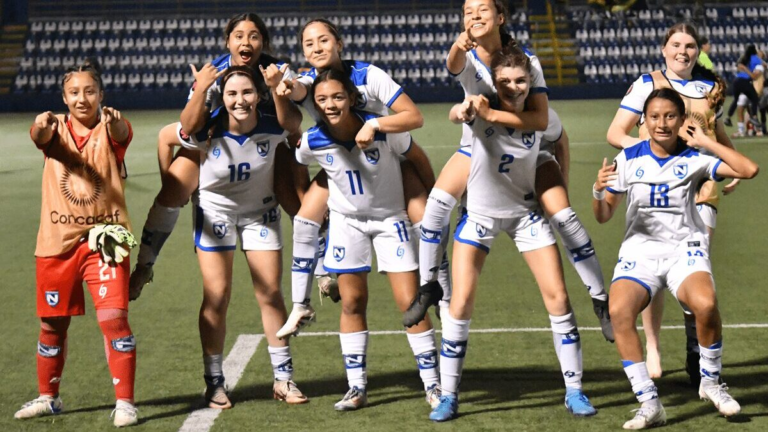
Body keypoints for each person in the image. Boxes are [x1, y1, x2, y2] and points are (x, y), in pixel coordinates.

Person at [408, 0, 612, 340]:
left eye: (482, 9)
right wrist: (458, 48)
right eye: (467, 10)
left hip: (529, 149)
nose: (473, 14)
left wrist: (560, 179)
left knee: (564, 218)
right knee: (437, 204)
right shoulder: (469, 56)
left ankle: (600, 299)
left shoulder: (526, 62)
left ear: (500, 18)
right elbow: (453, 63)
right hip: (481, 147)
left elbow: (545, 123)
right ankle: (429, 286)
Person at [430, 46, 597, 422]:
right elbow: (455, 113)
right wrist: (463, 110)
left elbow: (559, 140)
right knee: (461, 304)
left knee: (558, 298)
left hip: (525, 215)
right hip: (479, 218)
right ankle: (449, 395)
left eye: (520, 80)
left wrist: (561, 183)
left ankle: (574, 391)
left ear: (530, 82)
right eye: (504, 81)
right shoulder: (481, 106)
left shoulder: (542, 119)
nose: (513, 87)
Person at [594, 88, 758, 429]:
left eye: (670, 116)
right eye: (654, 116)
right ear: (644, 121)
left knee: (706, 305)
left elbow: (749, 169)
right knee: (619, 311)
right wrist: (598, 191)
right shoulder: (629, 158)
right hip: (640, 252)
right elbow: (603, 214)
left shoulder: (694, 157)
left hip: (684, 249)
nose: (662, 123)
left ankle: (711, 383)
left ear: (682, 120)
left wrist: (706, 142)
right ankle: (649, 402)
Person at [274, 18, 437, 338]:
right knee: (306, 218)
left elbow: (413, 116)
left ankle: (438, 287)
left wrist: (375, 125)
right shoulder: (309, 80)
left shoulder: (369, 75)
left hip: (389, 159)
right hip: (345, 166)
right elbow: (297, 89)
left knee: (425, 219)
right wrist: (281, 87)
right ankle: (301, 303)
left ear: (339, 43)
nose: (317, 48)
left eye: (324, 40)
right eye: (309, 44)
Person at [130, 13, 307, 300]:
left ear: (263, 42)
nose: (246, 42)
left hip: (267, 144)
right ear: (228, 42)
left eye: (253, 36)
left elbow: (294, 129)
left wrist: (281, 88)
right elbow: (175, 132)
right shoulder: (212, 75)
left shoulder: (275, 72)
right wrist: (171, 184)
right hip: (216, 148)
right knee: (173, 189)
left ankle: (321, 260)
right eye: (238, 36)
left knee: (294, 192)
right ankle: (144, 265)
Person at [295, 69, 441, 411]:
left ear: (351, 98)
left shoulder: (384, 129)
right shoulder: (312, 139)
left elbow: (417, 158)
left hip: (392, 221)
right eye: (321, 100)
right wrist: (315, 202)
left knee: (410, 303)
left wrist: (432, 197)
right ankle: (356, 387)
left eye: (337, 97)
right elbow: (298, 165)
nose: (330, 105)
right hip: (348, 225)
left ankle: (433, 385)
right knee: (351, 302)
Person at [606, 22, 736, 383]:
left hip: (702, 186)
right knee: (653, 273)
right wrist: (649, 154)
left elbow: (717, 133)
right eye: (676, 44)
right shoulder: (647, 84)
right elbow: (615, 132)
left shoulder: (709, 88)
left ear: (698, 51)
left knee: (693, 268)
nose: (683, 51)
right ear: (664, 49)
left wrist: (734, 168)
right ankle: (652, 345)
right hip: (655, 186)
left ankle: (696, 351)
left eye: (690, 45)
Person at [16, 61, 139, 427]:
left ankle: (126, 403)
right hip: (57, 244)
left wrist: (115, 121)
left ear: (101, 95)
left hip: (104, 240)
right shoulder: (54, 130)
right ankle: (48, 397)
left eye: (89, 91)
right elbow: (39, 138)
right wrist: (40, 127)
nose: (82, 98)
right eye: (74, 92)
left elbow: (122, 133)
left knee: (114, 319)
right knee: (53, 325)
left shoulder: (112, 127)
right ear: (64, 97)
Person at [177, 65, 308, 409]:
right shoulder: (207, 127)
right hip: (216, 213)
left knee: (270, 293)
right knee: (217, 295)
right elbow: (183, 129)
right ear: (222, 96)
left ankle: (283, 378)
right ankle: (214, 382)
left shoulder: (271, 125)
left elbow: (293, 124)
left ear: (258, 95)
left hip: (260, 213)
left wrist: (278, 88)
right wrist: (201, 87)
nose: (240, 100)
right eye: (232, 93)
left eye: (247, 92)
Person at [723, 45, 764, 136]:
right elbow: (758, 69)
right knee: (754, 99)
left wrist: (743, 68)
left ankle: (728, 117)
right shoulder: (756, 59)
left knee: (736, 100)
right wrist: (747, 70)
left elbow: (738, 65)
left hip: (736, 81)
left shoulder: (745, 57)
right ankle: (754, 117)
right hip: (745, 81)